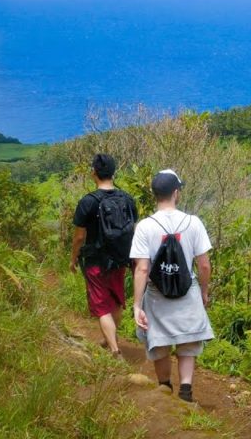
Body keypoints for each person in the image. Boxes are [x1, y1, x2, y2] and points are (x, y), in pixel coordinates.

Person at [131, 169, 214, 402]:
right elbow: (204, 265)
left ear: (154, 194)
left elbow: (142, 268)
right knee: (187, 342)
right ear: (176, 193)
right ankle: (186, 392)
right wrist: (204, 292)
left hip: (157, 295)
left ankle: (165, 388)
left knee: (160, 342)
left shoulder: (144, 227)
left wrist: (137, 305)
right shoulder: (193, 222)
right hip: (187, 293)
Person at [71, 153, 138, 357]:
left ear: (94, 173)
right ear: (113, 172)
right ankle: (110, 338)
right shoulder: (127, 199)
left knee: (101, 306)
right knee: (115, 301)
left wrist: (73, 258)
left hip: (96, 261)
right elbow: (133, 228)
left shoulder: (88, 202)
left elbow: (79, 237)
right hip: (120, 258)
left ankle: (115, 349)